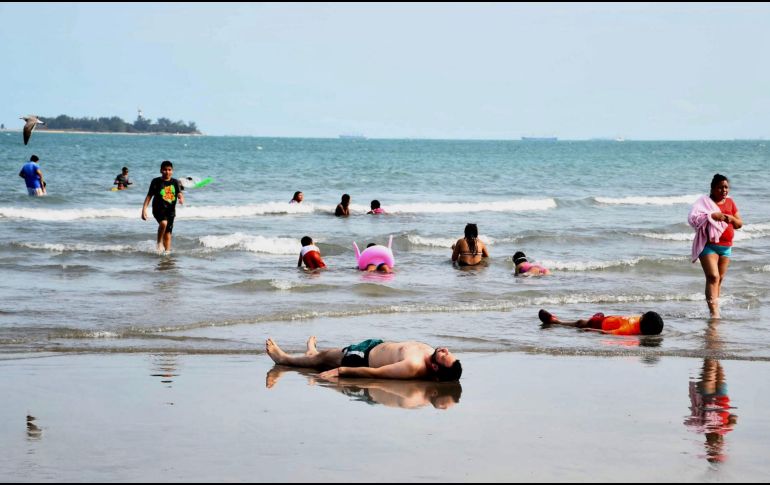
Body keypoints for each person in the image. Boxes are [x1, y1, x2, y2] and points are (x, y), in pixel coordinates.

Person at [265, 336, 462, 381]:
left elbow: (376, 373)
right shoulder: (430, 355)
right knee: (327, 355)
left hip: (363, 358)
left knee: (325, 359)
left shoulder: (412, 366)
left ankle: (283, 359)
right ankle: (312, 354)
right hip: (372, 346)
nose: (444, 349)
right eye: (447, 351)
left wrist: (342, 371)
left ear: (436, 368)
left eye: (444, 355)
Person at [688, 174, 743, 319]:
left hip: (726, 247)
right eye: (720, 187)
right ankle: (714, 313)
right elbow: (693, 219)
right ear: (712, 189)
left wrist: (729, 218)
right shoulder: (704, 203)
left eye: (726, 187)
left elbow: (739, 224)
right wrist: (711, 216)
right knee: (713, 277)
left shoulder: (730, 203)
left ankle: (714, 307)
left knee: (720, 279)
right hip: (708, 245)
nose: (724, 190)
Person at [141, 160, 185, 253]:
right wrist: (144, 210)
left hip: (171, 211)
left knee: (168, 233)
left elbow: (179, 193)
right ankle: (159, 243)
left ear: (172, 171)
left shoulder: (175, 182)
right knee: (163, 223)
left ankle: (167, 253)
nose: (167, 172)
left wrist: (181, 198)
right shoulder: (156, 181)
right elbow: (149, 196)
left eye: (169, 170)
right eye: (165, 170)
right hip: (158, 209)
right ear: (161, 170)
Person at [538, 309, 664, 335]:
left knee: (581, 322)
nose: (641, 315)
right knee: (598, 316)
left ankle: (555, 322)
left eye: (643, 316)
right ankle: (598, 315)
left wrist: (592, 330)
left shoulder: (628, 330)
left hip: (600, 324)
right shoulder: (640, 322)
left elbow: (607, 333)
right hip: (609, 318)